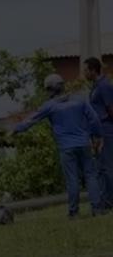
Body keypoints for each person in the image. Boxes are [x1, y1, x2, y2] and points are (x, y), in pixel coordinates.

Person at [13, 73, 104, 218]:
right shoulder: (80, 100)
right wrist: (97, 136)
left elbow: (31, 120)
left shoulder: (49, 106)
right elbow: (94, 119)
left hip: (66, 148)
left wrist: (16, 129)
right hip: (84, 144)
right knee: (91, 176)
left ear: (51, 89)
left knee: (72, 179)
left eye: (48, 89)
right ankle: (97, 210)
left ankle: (74, 213)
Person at [84, 57, 113, 209]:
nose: (84, 73)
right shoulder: (95, 86)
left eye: (86, 70)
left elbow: (111, 108)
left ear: (93, 70)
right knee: (101, 167)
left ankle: (109, 201)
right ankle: (104, 199)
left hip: (107, 130)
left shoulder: (104, 86)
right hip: (98, 131)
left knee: (107, 167)